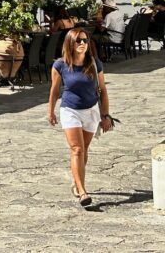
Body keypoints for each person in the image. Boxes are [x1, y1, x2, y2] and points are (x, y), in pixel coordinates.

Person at [47, 27, 113, 207]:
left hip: (91, 111)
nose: (82, 43)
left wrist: (105, 115)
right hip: (70, 110)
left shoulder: (94, 63)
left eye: (85, 40)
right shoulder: (60, 65)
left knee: (84, 150)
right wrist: (51, 111)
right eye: (78, 41)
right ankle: (83, 191)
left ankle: (76, 182)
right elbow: (54, 90)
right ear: (70, 43)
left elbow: (103, 90)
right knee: (77, 149)